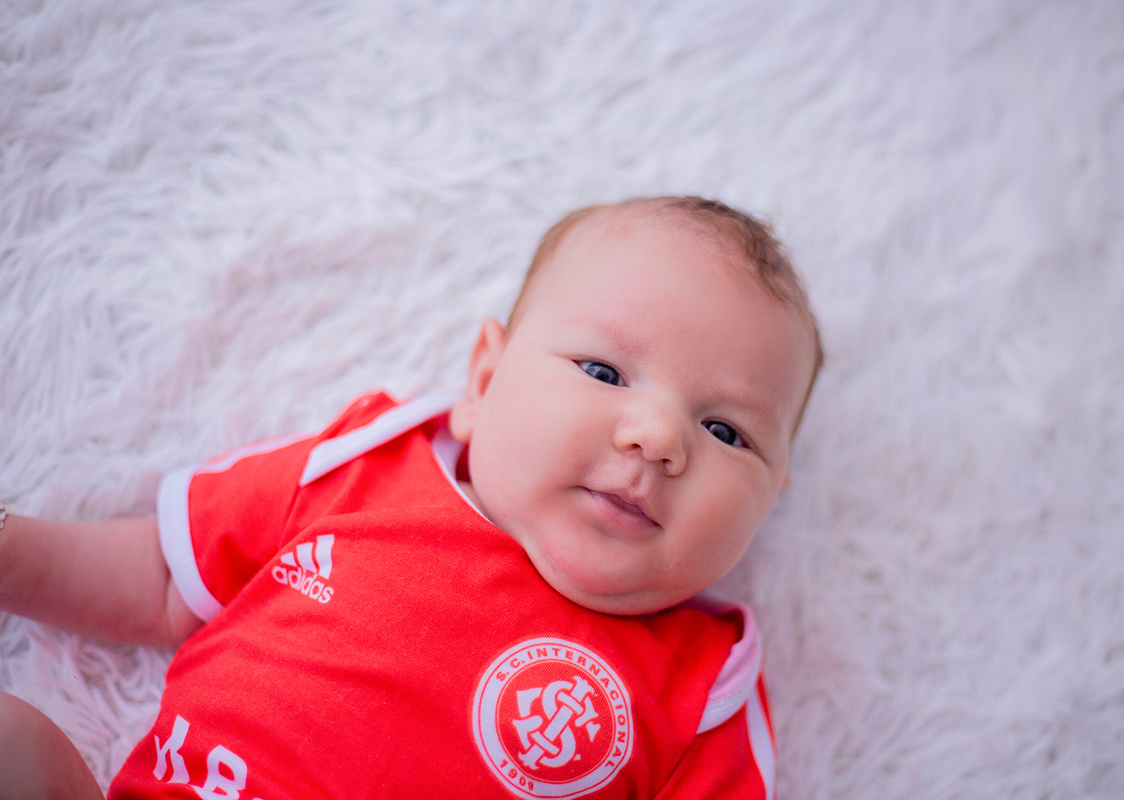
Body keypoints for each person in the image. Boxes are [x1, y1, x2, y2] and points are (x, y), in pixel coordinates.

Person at [0, 196, 822, 799]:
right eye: (604, 372)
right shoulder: (365, 466)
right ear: (485, 381)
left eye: (726, 432)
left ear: (768, 499)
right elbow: (162, 576)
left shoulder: (704, 689)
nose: (659, 438)